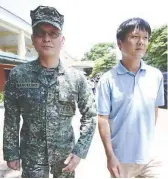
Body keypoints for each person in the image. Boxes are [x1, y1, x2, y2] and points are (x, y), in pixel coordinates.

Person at [3, 5, 96, 178]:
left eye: (53, 33)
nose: (47, 39)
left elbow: (90, 116)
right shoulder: (18, 75)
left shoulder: (76, 78)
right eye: (40, 33)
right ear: (33, 39)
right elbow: (11, 117)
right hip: (32, 161)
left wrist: (80, 151)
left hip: (64, 161)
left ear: (62, 40)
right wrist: (11, 152)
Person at [96, 18, 164, 178]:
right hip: (122, 158)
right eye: (134, 37)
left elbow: (154, 109)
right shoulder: (108, 79)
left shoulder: (155, 75)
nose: (141, 42)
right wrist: (110, 155)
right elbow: (102, 119)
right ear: (120, 44)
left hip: (151, 157)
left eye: (145, 37)